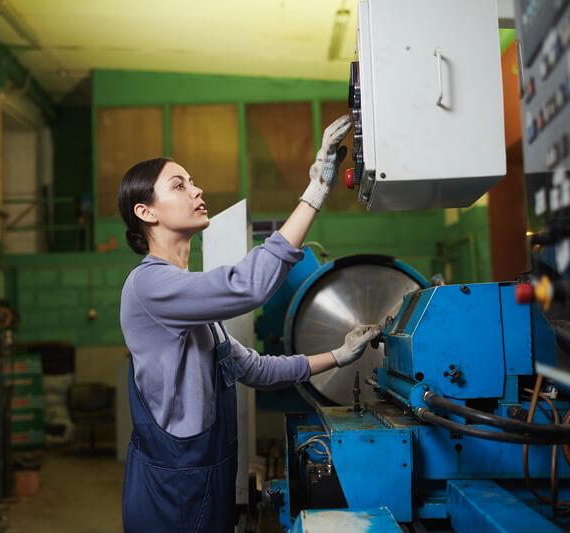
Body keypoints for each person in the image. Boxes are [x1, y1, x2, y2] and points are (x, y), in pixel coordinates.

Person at [117, 115, 381, 533]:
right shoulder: (149, 286)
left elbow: (255, 368)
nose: (197, 189)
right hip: (173, 492)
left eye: (192, 181)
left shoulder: (194, 306)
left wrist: (340, 355)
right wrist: (314, 192)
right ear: (145, 211)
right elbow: (248, 286)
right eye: (179, 184)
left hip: (209, 477)